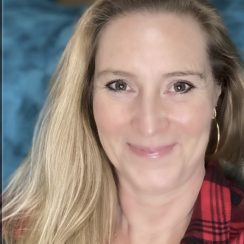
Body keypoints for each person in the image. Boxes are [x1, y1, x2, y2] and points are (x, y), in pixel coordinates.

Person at [2, 0, 244, 243]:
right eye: (120, 85)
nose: (148, 124)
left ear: (218, 93)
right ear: (87, 97)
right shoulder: (18, 229)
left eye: (180, 86)